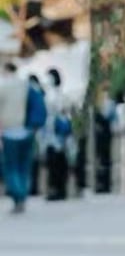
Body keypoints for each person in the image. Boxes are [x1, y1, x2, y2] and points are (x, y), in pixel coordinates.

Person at [0, 62, 33, 213]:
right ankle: (23, 195)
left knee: (11, 167)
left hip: (10, 132)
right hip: (27, 131)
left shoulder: (4, 87)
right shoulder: (26, 86)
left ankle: (18, 196)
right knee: (24, 166)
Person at [44, 68, 72, 201]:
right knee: (58, 163)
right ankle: (58, 189)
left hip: (55, 134)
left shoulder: (53, 95)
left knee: (55, 164)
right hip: (56, 135)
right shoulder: (59, 95)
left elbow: (57, 114)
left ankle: (56, 189)